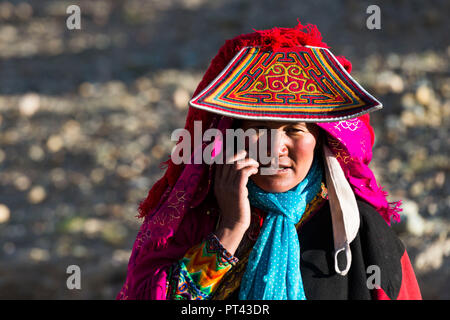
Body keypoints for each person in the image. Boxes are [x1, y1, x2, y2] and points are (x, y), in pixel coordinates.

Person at [117, 21, 422, 300]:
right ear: (232, 136)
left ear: (320, 140)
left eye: (293, 129)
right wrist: (229, 229)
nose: (276, 148)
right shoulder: (191, 220)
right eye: (260, 129)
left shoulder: (358, 232)